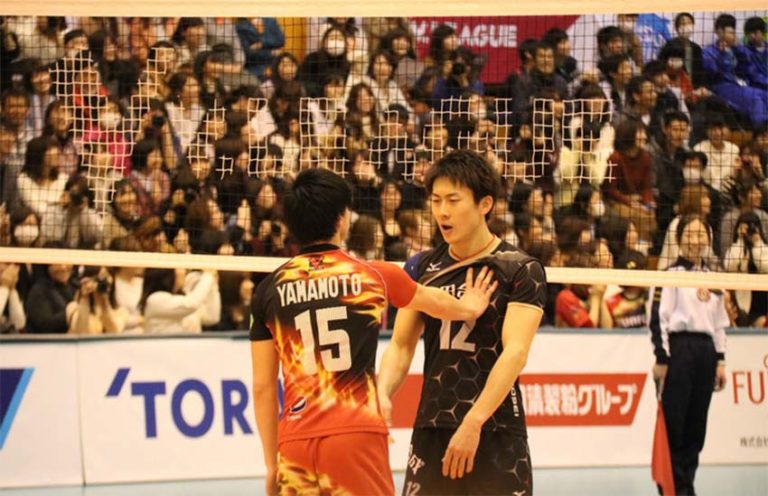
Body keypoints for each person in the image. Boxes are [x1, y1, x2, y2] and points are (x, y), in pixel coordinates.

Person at [249, 167, 499, 496]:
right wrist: (469, 306)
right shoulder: (373, 275)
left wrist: (272, 463)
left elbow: (264, 386)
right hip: (356, 432)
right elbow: (432, 301)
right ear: (341, 219)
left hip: (295, 441)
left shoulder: (268, 290)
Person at [377, 150, 547, 495]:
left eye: (453, 200)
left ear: (485, 204)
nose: (442, 211)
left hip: (495, 428)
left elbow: (515, 353)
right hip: (433, 425)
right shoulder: (422, 267)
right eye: (436, 200)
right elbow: (401, 344)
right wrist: (381, 392)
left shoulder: (519, 268)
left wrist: (474, 421)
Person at [649, 214, 729, 496]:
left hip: (706, 352)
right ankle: (672, 488)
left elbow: (720, 323)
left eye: (701, 234)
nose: (696, 240)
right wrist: (662, 358)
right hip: (679, 351)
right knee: (675, 424)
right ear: (679, 238)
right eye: (690, 234)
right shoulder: (669, 275)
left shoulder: (714, 278)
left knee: (696, 427)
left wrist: (720, 360)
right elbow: (658, 319)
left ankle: (686, 486)